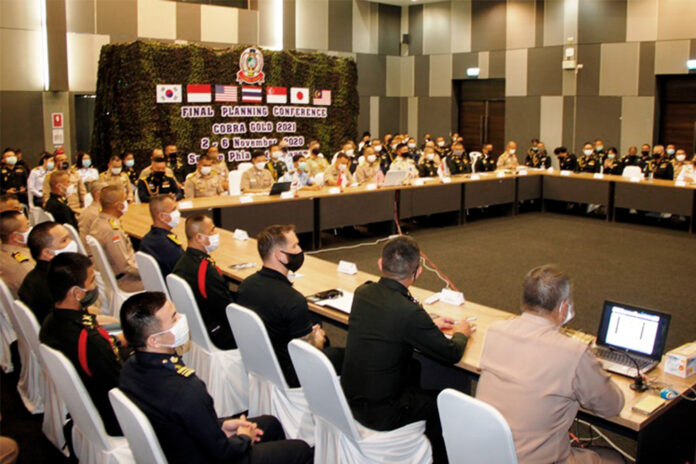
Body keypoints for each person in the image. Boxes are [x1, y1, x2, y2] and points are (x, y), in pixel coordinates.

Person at [118, 291, 313, 464]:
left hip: (178, 446)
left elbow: (183, 420)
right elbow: (222, 452)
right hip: (206, 456)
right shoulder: (185, 388)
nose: (181, 320)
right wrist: (243, 438)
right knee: (301, 450)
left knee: (270, 423)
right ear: (155, 340)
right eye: (174, 318)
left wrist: (222, 425)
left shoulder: (129, 369)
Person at [341, 236, 475, 464]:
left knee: (414, 367)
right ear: (418, 272)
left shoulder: (363, 293)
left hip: (351, 398)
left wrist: (426, 324)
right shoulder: (408, 313)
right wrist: (462, 332)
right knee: (443, 404)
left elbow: (392, 318)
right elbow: (452, 353)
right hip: (382, 414)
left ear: (380, 264)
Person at [477, 265, 624, 464]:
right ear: (563, 307)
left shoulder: (495, 331)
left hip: (487, 453)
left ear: (525, 301)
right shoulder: (573, 352)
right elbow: (611, 407)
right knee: (614, 458)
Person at [237, 225, 344, 388]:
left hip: (263, 363)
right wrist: (318, 339)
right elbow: (309, 354)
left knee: (314, 320)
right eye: (294, 246)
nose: (300, 250)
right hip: (291, 374)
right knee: (347, 355)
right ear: (280, 255)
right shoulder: (293, 300)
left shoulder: (245, 286)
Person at [39, 252, 125, 437]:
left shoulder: (50, 322)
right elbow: (119, 384)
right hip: (114, 415)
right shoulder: (89, 340)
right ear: (77, 293)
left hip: (90, 399)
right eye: (92, 281)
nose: (94, 286)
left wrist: (116, 341)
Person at [172, 214, 236, 349]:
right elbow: (225, 308)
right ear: (199, 237)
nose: (215, 234)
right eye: (212, 230)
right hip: (218, 334)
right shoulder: (205, 270)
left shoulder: (182, 263)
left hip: (198, 329)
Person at [88, 185, 144, 292]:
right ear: (119, 206)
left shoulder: (98, 221)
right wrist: (148, 271)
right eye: (124, 200)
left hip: (114, 275)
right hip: (126, 281)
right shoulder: (112, 231)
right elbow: (126, 266)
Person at [19, 222, 78, 322]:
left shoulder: (35, 276)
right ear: (47, 253)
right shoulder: (57, 282)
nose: (71, 242)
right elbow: (70, 323)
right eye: (64, 240)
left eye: (69, 237)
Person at [138, 194, 184, 276]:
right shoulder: (170, 246)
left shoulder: (146, 239)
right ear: (162, 216)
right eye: (173, 210)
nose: (178, 213)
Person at [0, 210, 34, 297]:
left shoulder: (3, 252)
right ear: (16, 236)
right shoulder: (25, 263)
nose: (30, 229)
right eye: (27, 226)